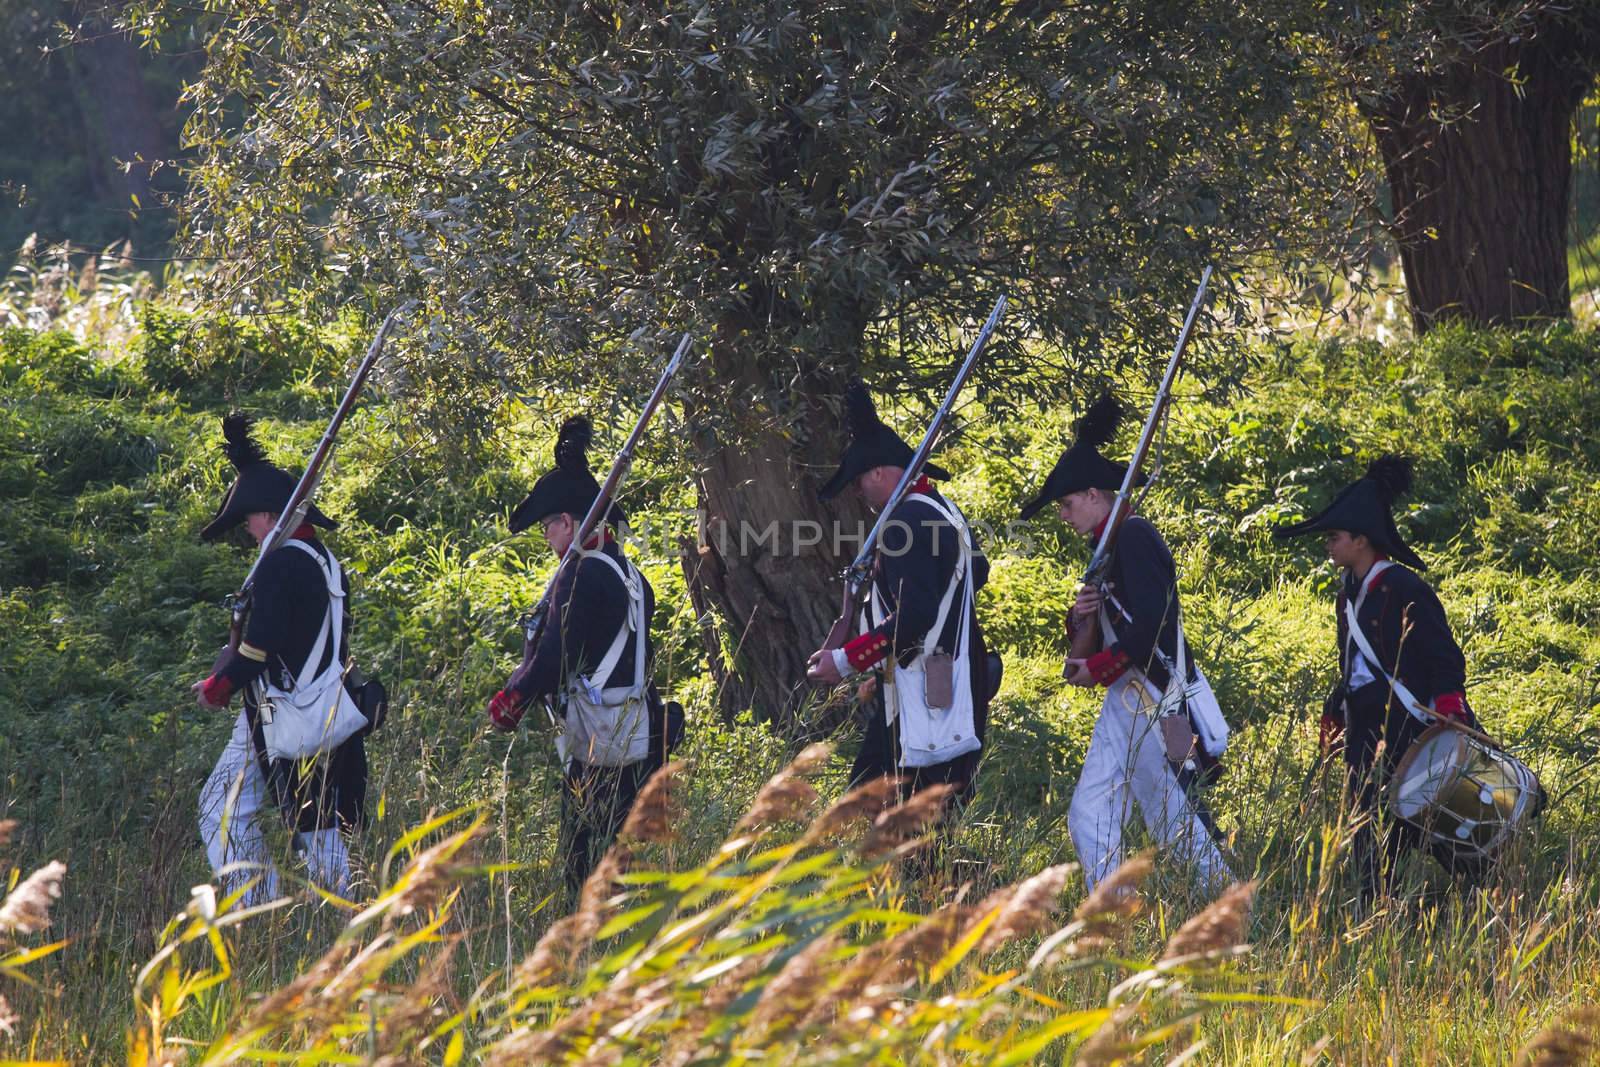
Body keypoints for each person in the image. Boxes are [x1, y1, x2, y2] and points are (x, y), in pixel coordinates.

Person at [1019, 395, 1229, 893]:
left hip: (1156, 699)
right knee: (1088, 813)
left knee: (1178, 827)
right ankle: (1112, 913)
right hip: (1124, 702)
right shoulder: (1105, 551)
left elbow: (1151, 625)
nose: (1065, 516)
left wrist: (1100, 668)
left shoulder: (1133, 538)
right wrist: (1083, 625)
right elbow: (1108, 634)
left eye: (1068, 504)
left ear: (1095, 494)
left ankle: (1233, 912)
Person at [485, 416, 673, 894]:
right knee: (619, 856)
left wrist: (513, 699)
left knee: (582, 863)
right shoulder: (627, 570)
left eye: (549, 526)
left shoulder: (580, 574)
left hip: (598, 741)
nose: (547, 537)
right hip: (634, 732)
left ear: (568, 521)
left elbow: (554, 657)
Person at [1274, 454, 1478, 890]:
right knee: (1369, 841)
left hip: (1410, 732)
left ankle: (1489, 897)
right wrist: (1337, 712)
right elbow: (1357, 667)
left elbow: (1444, 657)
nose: (1328, 545)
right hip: (1365, 737)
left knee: (1442, 831)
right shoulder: (1348, 593)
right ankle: (1376, 917)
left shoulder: (1405, 588)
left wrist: (1449, 707)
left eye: (1334, 536)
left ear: (1361, 540)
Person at [193, 414, 368, 905]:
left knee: (220, 808)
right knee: (318, 822)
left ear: (269, 515)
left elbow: (260, 646)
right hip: (327, 706)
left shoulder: (279, 563)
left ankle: (256, 905)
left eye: (249, 518)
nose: (248, 529)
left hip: (277, 710)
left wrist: (218, 686)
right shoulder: (323, 559)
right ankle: (332, 918)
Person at [805, 382, 992, 813]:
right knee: (894, 821)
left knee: (900, 828)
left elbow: (915, 618)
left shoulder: (905, 522)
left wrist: (846, 660)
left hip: (925, 693)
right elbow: (973, 574)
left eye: (858, 481)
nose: (857, 492)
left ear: (876, 473)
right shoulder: (942, 509)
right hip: (932, 685)